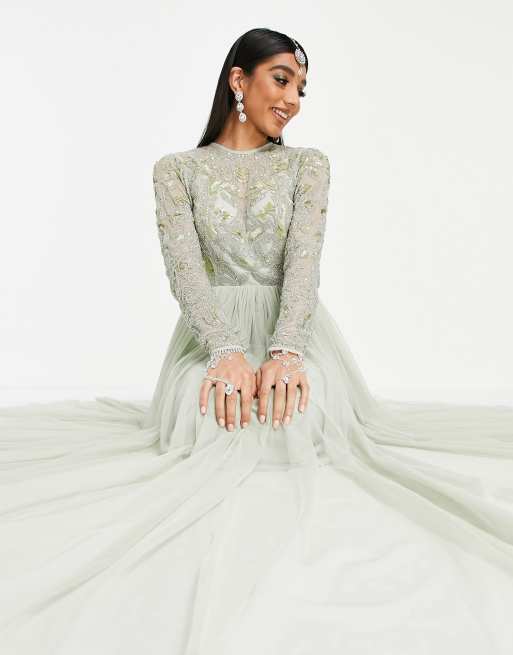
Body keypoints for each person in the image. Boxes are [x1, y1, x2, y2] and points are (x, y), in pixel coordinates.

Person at [1, 26, 513, 655]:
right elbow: (184, 272)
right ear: (238, 80)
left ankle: (296, 554)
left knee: (302, 411)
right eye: (282, 79)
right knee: (207, 414)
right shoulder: (176, 171)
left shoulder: (307, 166)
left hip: (290, 324)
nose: (293, 99)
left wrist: (285, 351)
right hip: (208, 332)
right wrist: (224, 352)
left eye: (302, 88)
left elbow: (304, 262)